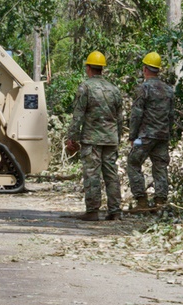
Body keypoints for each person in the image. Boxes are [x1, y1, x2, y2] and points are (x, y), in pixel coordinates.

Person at [64, 51, 124, 221]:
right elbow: (120, 118)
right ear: (102, 69)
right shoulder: (114, 89)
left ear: (88, 68)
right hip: (111, 139)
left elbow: (78, 115)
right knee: (111, 174)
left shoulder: (86, 87)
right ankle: (115, 211)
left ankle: (92, 211)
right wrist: (117, 137)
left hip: (92, 140)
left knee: (92, 174)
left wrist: (72, 138)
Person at [127, 51, 175, 213]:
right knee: (160, 167)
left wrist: (133, 136)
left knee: (133, 163)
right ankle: (160, 202)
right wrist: (168, 133)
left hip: (145, 136)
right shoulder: (169, 90)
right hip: (162, 136)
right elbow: (171, 115)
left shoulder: (144, 88)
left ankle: (141, 201)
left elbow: (137, 114)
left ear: (145, 69)